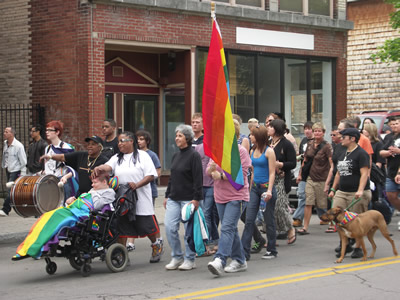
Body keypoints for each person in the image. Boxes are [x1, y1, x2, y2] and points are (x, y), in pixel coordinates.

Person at [93, 131, 162, 263]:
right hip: (123, 198)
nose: (119, 144)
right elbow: (108, 166)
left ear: (131, 141)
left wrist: (137, 185)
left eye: (122, 141)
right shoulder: (117, 157)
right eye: (118, 141)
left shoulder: (143, 156)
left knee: (146, 225)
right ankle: (122, 253)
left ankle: (156, 245)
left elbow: (151, 175)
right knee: (122, 226)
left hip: (140, 197)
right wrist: (100, 168)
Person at [12, 173, 115, 260]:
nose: (92, 185)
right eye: (92, 182)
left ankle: (35, 248)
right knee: (46, 216)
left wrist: (92, 194)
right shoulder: (94, 191)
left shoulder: (109, 193)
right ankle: (28, 247)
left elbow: (96, 205)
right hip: (73, 210)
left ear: (104, 182)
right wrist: (74, 199)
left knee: (54, 219)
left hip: (82, 215)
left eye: (95, 182)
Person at [206, 143, 251, 276]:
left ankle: (220, 259)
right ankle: (240, 260)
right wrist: (212, 170)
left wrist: (219, 175)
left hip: (237, 196)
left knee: (226, 228)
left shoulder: (241, 151)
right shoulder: (217, 149)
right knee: (231, 228)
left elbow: (240, 175)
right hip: (220, 196)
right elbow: (208, 171)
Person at [164, 124, 203, 271]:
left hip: (189, 199)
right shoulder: (175, 155)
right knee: (169, 227)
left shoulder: (194, 155)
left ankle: (190, 258)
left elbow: (198, 179)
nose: (177, 138)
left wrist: (196, 199)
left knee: (189, 231)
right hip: (174, 198)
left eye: (180, 136)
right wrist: (167, 195)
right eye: (176, 135)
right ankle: (177, 256)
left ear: (187, 138)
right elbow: (172, 177)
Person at [328, 128, 371, 259]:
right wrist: (333, 189)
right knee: (337, 217)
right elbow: (338, 173)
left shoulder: (361, 153)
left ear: (352, 138)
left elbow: (365, 174)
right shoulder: (342, 152)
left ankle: (358, 247)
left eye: (344, 137)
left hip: (357, 192)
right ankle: (344, 243)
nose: (341, 139)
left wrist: (360, 190)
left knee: (357, 221)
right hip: (342, 191)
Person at [124, 129, 163, 258]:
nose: (139, 141)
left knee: (146, 217)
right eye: (138, 139)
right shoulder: (132, 155)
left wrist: (144, 178)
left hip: (148, 191)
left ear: (147, 141)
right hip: (131, 192)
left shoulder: (150, 155)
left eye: (141, 139)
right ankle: (130, 242)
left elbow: (157, 172)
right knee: (130, 216)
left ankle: (157, 239)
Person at [241, 125, 278, 260]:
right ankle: (244, 252)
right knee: (249, 219)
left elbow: (272, 172)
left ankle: (272, 250)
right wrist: (250, 189)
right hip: (255, 188)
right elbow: (253, 172)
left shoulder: (269, 152)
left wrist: (269, 191)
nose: (250, 137)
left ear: (259, 137)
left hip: (266, 188)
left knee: (269, 220)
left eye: (252, 135)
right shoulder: (252, 150)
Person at [40, 135, 108, 196]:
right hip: (80, 194)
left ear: (100, 147)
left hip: (96, 195)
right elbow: (62, 157)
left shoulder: (104, 161)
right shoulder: (81, 155)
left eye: (93, 144)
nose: (89, 146)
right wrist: (50, 156)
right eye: (89, 144)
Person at [297, 122, 333, 235]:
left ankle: (332, 224)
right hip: (310, 178)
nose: (317, 133)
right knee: (308, 202)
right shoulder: (309, 144)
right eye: (315, 131)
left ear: (323, 133)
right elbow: (305, 160)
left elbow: (331, 164)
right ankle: (305, 227)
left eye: (319, 131)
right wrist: (300, 174)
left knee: (323, 204)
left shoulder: (327, 146)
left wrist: (329, 181)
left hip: (322, 178)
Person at [267, 119, 297, 244]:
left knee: (279, 207)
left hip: (281, 179)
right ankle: (271, 236)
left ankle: (290, 228)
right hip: (268, 179)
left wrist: (280, 164)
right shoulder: (268, 143)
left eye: (270, 127)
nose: (268, 128)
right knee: (268, 209)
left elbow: (293, 163)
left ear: (277, 129)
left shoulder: (286, 144)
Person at [42, 120, 76, 200]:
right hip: (50, 182)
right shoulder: (47, 148)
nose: (47, 132)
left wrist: (65, 177)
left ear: (57, 132)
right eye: (46, 130)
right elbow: (47, 166)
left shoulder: (66, 147)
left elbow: (73, 168)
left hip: (63, 182)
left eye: (50, 130)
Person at [1, 127, 27, 216]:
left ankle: (5, 209)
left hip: (16, 170)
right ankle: (20, 206)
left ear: (12, 134)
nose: (4, 133)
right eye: (4, 131)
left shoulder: (18, 146)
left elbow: (23, 161)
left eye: (6, 132)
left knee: (11, 190)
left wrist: (22, 174)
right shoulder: (5, 143)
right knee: (13, 190)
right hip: (8, 169)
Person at [292, 121, 314, 227]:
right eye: (305, 129)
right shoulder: (304, 141)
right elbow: (302, 156)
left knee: (319, 199)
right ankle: (298, 218)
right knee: (301, 195)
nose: (307, 131)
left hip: (314, 174)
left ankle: (323, 214)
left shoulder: (317, 142)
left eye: (309, 129)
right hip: (304, 172)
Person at [380, 117, 400, 210]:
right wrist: (389, 153)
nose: (394, 126)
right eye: (392, 124)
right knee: (390, 194)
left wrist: (398, 151)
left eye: (396, 123)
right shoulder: (388, 137)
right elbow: (381, 152)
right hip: (391, 170)